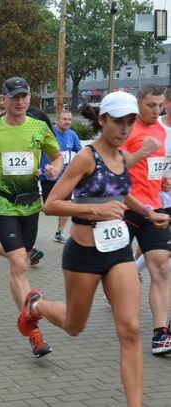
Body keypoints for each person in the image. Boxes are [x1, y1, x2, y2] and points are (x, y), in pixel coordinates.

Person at [18, 91, 170, 406]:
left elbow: (122, 192)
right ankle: (36, 306)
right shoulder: (88, 157)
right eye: (118, 122)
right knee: (75, 324)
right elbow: (51, 205)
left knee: (130, 330)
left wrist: (146, 212)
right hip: (84, 254)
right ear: (102, 121)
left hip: (117, 254)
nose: (125, 129)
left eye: (130, 122)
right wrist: (94, 211)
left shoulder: (122, 156)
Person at [0, 77, 63, 357]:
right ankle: (33, 331)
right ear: (4, 99)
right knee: (20, 262)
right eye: (16, 96)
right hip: (4, 202)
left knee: (24, 251)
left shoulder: (39, 127)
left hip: (31, 204)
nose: (21, 101)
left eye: (25, 96)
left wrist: (55, 168)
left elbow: (56, 156)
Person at [120, 83, 171, 355]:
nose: (156, 110)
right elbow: (116, 167)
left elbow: (156, 168)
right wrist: (141, 151)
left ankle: (161, 333)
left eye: (160, 105)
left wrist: (163, 181)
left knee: (161, 268)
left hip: (153, 210)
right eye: (151, 105)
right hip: (124, 209)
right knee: (118, 271)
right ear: (139, 103)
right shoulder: (126, 128)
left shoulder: (162, 131)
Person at [40, 110, 82, 243]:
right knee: (47, 207)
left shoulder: (72, 135)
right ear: (57, 120)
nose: (67, 122)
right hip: (48, 176)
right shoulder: (48, 133)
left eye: (69, 119)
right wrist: (39, 169)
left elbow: (80, 153)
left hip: (65, 177)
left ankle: (59, 232)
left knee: (67, 204)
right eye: (64, 119)